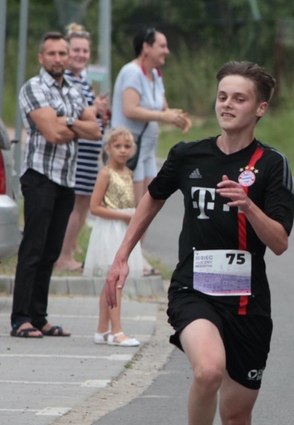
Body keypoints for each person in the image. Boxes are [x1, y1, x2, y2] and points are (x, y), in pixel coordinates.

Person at [105, 61, 294, 425]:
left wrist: (248, 205)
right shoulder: (189, 154)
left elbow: (279, 242)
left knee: (236, 417)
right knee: (208, 370)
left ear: (260, 108)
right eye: (223, 95)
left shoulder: (271, 165)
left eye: (239, 98)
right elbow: (153, 199)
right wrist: (122, 255)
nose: (227, 104)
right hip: (195, 288)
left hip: (248, 302)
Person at [10, 32, 101, 339]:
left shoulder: (74, 89)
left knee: (51, 251)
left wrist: (68, 122)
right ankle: (21, 318)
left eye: (63, 53)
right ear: (41, 57)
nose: (58, 59)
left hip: (66, 179)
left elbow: (95, 131)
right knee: (33, 248)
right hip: (40, 176)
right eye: (52, 53)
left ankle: (39, 317)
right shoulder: (33, 87)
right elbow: (51, 133)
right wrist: (72, 124)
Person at [110, 27, 191, 208]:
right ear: (146, 47)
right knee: (131, 209)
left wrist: (177, 117)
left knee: (148, 205)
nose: (166, 51)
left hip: (147, 148)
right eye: (162, 46)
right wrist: (164, 116)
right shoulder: (132, 72)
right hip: (129, 148)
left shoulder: (155, 73)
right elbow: (129, 109)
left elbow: (163, 108)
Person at [56, 23, 110, 272]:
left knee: (83, 204)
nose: (81, 55)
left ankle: (69, 250)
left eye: (85, 51)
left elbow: (90, 114)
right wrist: (94, 110)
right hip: (77, 151)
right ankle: (63, 256)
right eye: (76, 50)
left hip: (89, 150)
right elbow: (71, 114)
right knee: (75, 205)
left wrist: (100, 113)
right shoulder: (66, 80)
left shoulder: (82, 81)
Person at [84, 128, 144, 347]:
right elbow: (94, 207)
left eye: (127, 146)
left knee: (112, 281)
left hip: (124, 229)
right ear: (108, 148)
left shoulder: (129, 173)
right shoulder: (105, 174)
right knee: (116, 281)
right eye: (117, 146)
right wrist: (124, 216)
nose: (122, 150)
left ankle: (102, 329)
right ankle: (117, 331)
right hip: (110, 229)